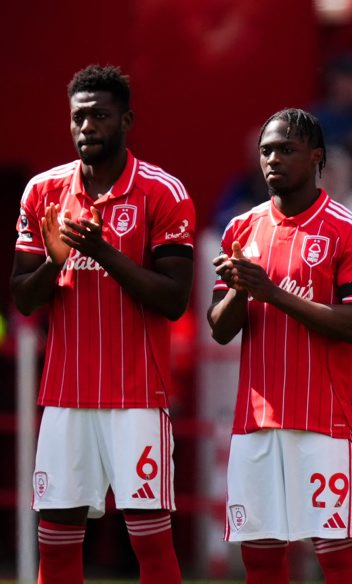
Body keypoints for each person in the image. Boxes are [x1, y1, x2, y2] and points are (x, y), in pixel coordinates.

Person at [11, 64, 193, 583]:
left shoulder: (163, 192)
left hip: (137, 397)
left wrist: (103, 252)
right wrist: (54, 263)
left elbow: (174, 299)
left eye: (99, 116)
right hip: (65, 398)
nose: (87, 127)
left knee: (150, 543)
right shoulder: (43, 192)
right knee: (56, 542)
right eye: (78, 117)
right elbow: (23, 299)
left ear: (126, 120)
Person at [207, 108, 352, 584]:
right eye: (266, 151)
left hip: (323, 423)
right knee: (261, 560)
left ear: (316, 157)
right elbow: (220, 328)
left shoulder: (347, 228)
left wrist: (272, 293)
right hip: (255, 425)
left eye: (287, 149)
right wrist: (241, 291)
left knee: (336, 558)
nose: (273, 159)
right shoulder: (241, 228)